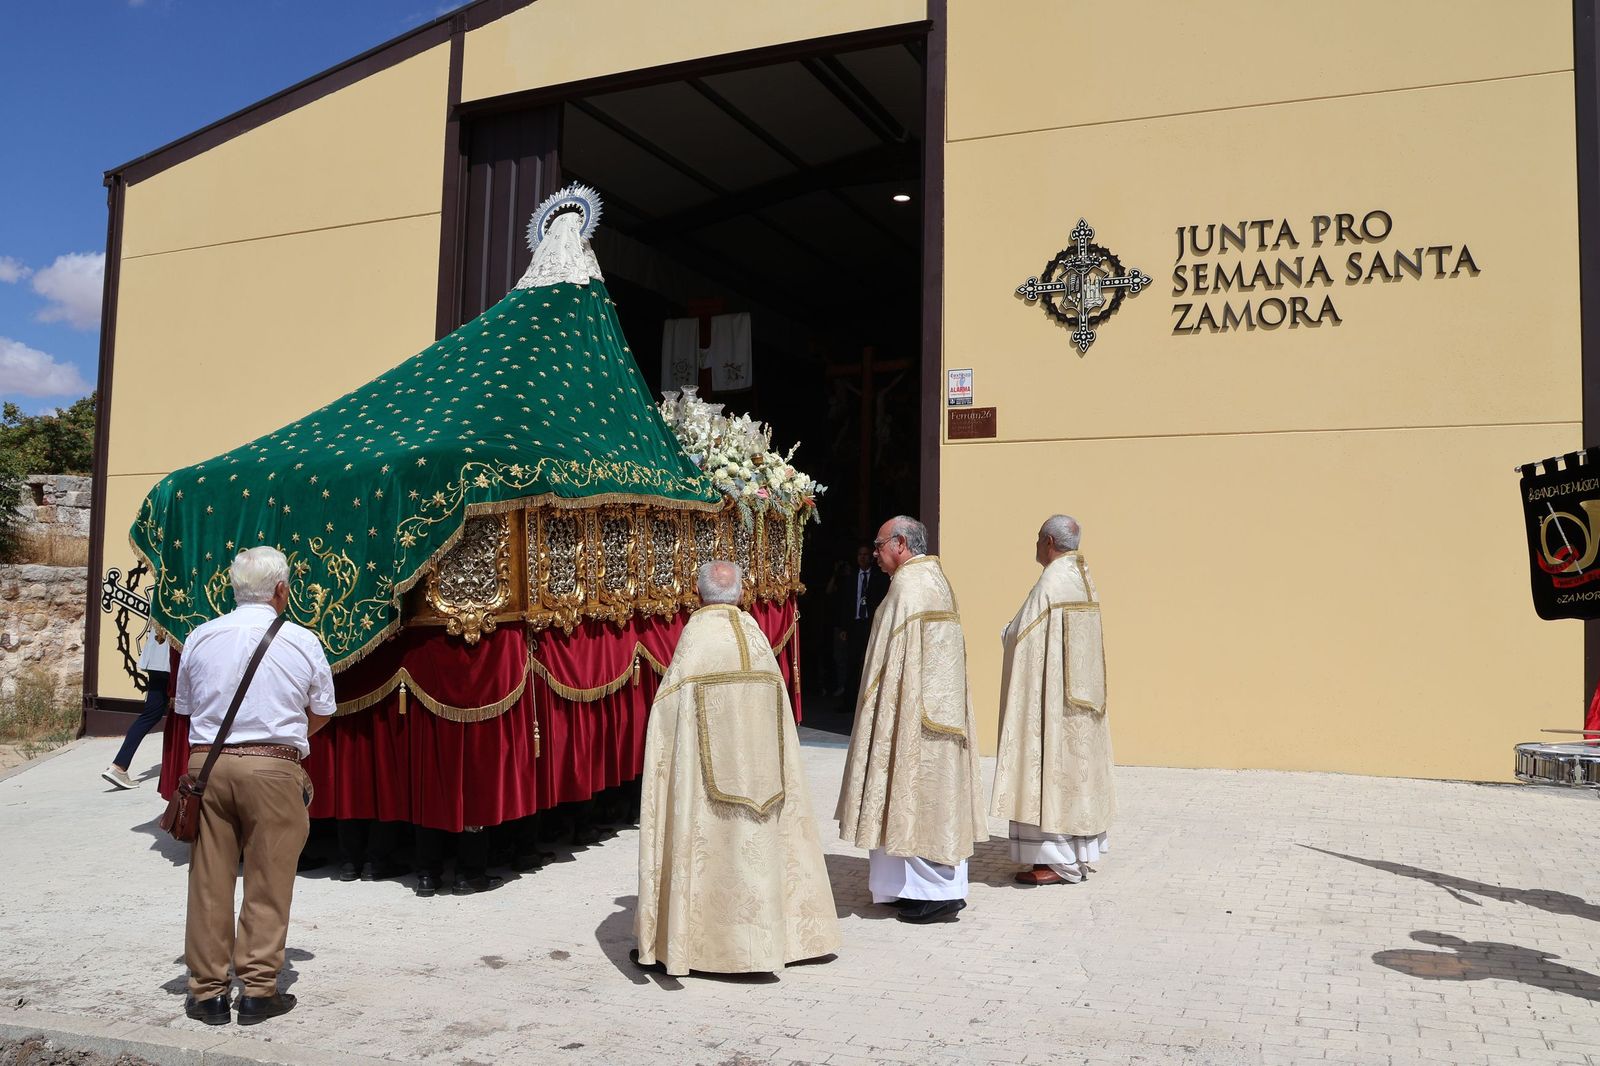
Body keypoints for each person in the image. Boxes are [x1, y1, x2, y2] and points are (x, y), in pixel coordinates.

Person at [636, 560, 840, 975]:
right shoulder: (757, 636)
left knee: (712, 854)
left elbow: (667, 717)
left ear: (698, 595)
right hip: (766, 782)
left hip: (708, 792)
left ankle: (696, 947)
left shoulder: (696, 641)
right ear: (741, 595)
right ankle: (783, 939)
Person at [176, 546, 334, 1026]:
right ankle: (258, 990)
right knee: (268, 877)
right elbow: (323, 709)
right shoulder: (302, 640)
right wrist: (286, 741)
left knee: (208, 878)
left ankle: (205, 993)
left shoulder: (201, 636)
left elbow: (185, 708)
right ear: (282, 590)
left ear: (234, 588)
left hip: (209, 766)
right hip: (273, 767)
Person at [835, 516, 984, 923]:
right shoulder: (937, 580)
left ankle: (935, 893)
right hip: (940, 714)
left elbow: (885, 663)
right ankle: (913, 889)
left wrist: (873, 712)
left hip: (911, 717)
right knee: (927, 799)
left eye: (880, 544)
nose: (877, 554)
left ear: (900, 543)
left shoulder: (907, 587)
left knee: (913, 798)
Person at [990, 515, 1115, 886]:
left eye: (1036, 539)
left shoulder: (1051, 582)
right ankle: (1076, 853)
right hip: (1081, 702)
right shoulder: (1082, 578)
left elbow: (1022, 634)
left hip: (1053, 703)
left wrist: (1006, 632)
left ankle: (1054, 859)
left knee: (1049, 773)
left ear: (1047, 541)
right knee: (1073, 777)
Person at [101, 624, 171, 789]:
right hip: (174, 658)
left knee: (150, 715)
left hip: (156, 659)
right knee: (186, 712)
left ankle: (119, 765)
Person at [837, 543, 888, 697]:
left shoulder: (879, 577)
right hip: (855, 623)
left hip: (871, 622)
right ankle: (849, 699)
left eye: (866, 554)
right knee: (852, 661)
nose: (863, 557)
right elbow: (845, 603)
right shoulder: (851, 577)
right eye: (860, 555)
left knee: (871, 660)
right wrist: (844, 628)